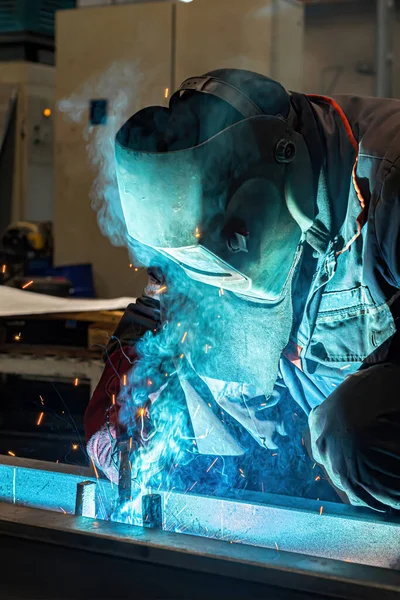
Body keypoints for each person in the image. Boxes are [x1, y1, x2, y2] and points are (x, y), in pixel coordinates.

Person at [85, 69, 400, 510]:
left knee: (353, 429)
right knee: (202, 365)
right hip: (316, 440)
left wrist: (346, 445)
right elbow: (160, 311)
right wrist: (120, 405)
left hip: (360, 446)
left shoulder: (388, 185)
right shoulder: (211, 210)